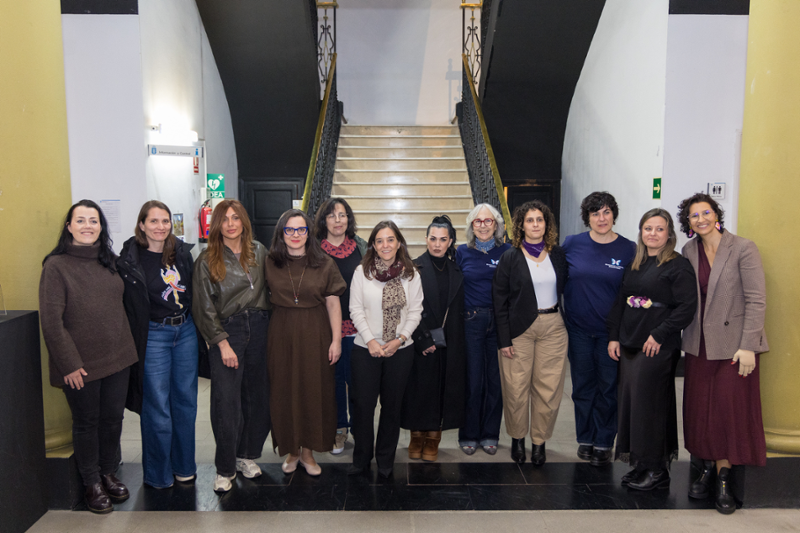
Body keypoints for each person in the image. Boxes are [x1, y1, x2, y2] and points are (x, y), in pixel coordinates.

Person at [39, 200, 138, 514]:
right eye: (80, 220)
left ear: (101, 226)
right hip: (80, 365)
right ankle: (91, 483)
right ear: (69, 226)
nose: (87, 226)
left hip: (118, 358)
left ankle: (108, 472)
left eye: (93, 221)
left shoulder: (109, 260)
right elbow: (51, 321)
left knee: (112, 420)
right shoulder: (56, 266)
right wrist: (68, 363)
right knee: (86, 423)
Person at [677, 193, 768, 514]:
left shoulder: (743, 247)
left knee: (727, 413)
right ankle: (706, 468)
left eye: (706, 212)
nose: (700, 219)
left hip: (735, 347)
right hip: (699, 345)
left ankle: (725, 478)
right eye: (693, 215)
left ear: (717, 215)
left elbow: (757, 300)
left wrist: (748, 346)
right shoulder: (688, 251)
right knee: (701, 412)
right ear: (687, 223)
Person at [606, 208, 697, 491]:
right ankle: (640, 463)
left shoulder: (677, 265)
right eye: (648, 228)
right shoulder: (637, 262)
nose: (653, 234)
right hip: (631, 342)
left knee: (652, 407)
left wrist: (659, 334)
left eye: (659, 229)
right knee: (633, 405)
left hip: (657, 346)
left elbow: (686, 308)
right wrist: (614, 337)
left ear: (669, 233)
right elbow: (621, 300)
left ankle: (658, 470)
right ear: (641, 232)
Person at [118, 200, 200, 489]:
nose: (160, 227)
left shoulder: (181, 253)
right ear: (141, 224)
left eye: (165, 221)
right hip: (154, 336)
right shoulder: (129, 260)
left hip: (185, 332)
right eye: (153, 221)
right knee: (157, 407)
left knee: (186, 403)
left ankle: (184, 467)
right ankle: (158, 474)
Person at [193, 199, 270, 493]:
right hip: (229, 331)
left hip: (260, 327)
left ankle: (245, 456)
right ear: (217, 225)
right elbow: (203, 307)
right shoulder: (206, 259)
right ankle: (224, 468)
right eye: (224, 219)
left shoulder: (258, 251)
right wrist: (221, 343)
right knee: (227, 403)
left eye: (236, 218)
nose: (230, 224)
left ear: (244, 222)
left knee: (256, 398)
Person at [266, 209, 346, 476]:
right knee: (284, 391)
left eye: (301, 230)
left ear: (309, 233)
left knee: (314, 391)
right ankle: (292, 450)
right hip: (281, 333)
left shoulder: (324, 263)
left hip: (316, 332)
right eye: (290, 230)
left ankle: (309, 452)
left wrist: (336, 340)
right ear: (281, 233)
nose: (296, 235)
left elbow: (334, 303)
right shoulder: (269, 262)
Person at [493, 201, 568, 466]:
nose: (535, 225)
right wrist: (504, 339)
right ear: (521, 225)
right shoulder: (510, 256)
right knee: (515, 389)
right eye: (530, 220)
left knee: (548, 389)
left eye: (540, 220)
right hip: (518, 330)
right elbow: (499, 300)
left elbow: (567, 287)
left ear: (546, 224)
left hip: (554, 328)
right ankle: (517, 439)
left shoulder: (557, 255)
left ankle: (539, 442)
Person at [562, 192, 635, 466]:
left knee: (608, 388)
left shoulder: (628, 249)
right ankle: (586, 438)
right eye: (595, 214)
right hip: (578, 331)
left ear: (613, 214)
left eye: (606, 212)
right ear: (587, 218)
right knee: (582, 387)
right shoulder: (572, 244)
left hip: (610, 335)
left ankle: (604, 440)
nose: (601, 218)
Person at [348, 221, 424, 477]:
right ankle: (361, 457)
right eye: (379, 241)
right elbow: (355, 309)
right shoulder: (362, 272)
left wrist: (400, 339)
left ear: (399, 243)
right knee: (363, 406)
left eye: (390, 239)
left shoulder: (411, 273)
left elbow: (415, 312)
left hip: (400, 350)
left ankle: (385, 459)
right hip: (365, 349)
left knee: (392, 407)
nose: (385, 245)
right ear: (373, 245)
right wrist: (370, 340)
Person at [401, 215, 466, 462]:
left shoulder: (457, 270)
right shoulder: (414, 267)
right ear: (426, 239)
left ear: (450, 241)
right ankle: (416, 436)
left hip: (450, 341)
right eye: (433, 238)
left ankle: (433, 438)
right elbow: (406, 308)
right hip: (421, 340)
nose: (437, 244)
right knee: (419, 389)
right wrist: (422, 339)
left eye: (443, 239)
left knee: (442, 389)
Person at [314, 198, 368, 455]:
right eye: (332, 215)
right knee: (333, 382)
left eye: (343, 215)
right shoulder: (314, 250)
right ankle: (338, 430)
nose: (338, 220)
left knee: (358, 380)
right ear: (323, 220)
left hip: (359, 327)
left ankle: (361, 429)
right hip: (326, 328)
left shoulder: (361, 247)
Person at [456, 203, 511, 455]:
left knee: (495, 382)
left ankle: (490, 433)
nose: (483, 226)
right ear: (471, 226)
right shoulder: (461, 252)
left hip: (500, 322)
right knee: (472, 380)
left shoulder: (509, 252)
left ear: (497, 225)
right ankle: (468, 434)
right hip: (472, 321)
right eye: (477, 222)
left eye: (488, 221)